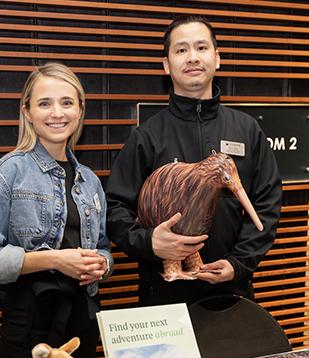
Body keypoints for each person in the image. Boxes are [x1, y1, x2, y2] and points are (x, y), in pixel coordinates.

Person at [106, 15, 283, 305]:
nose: (192, 58)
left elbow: (267, 202)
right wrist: (150, 243)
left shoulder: (247, 129)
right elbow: (115, 209)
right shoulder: (147, 136)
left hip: (232, 292)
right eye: (181, 50)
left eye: (201, 48)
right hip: (164, 297)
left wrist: (239, 263)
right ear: (166, 65)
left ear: (217, 58)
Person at [0, 62, 113, 358]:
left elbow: (105, 248)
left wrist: (101, 266)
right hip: (29, 323)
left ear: (80, 110)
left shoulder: (90, 181)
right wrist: (54, 259)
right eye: (45, 103)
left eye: (67, 102)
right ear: (28, 112)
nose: (57, 113)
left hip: (80, 322)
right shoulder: (8, 172)